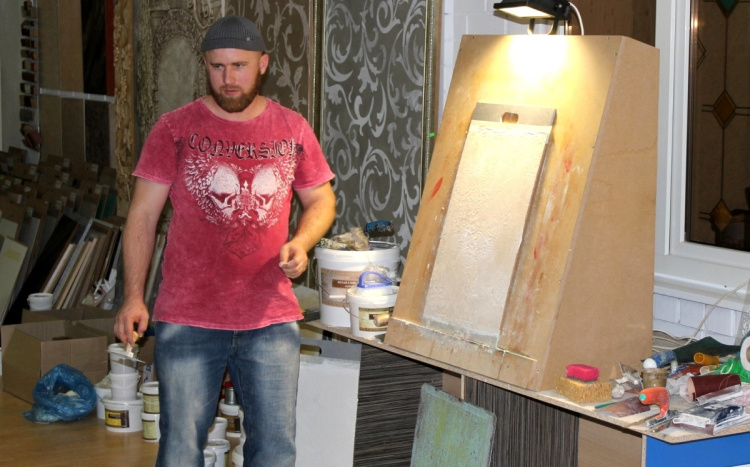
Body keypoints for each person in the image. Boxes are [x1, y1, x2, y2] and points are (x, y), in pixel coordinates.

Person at [114, 15, 336, 466]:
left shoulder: (292, 128)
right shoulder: (174, 129)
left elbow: (321, 200)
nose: (228, 78)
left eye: (239, 66)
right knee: (180, 450)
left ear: (263, 64)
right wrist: (133, 296)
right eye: (217, 67)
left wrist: (302, 242)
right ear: (205, 66)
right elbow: (142, 214)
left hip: (269, 318)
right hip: (188, 317)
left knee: (274, 450)